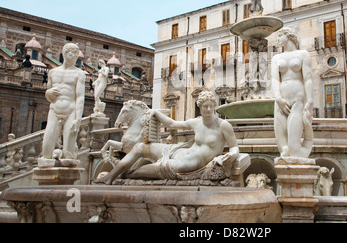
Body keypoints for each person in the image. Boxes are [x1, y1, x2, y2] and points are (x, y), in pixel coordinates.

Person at [95, 91, 239, 184]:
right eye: (204, 106)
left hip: (193, 162)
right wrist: (155, 112)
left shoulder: (223, 125)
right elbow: (172, 123)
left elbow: (234, 147)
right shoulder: (196, 122)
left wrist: (228, 156)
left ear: (214, 106)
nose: (208, 110)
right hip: (178, 150)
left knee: (162, 167)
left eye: (210, 106)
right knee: (139, 147)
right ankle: (110, 177)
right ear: (200, 107)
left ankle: (125, 175)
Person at [271, 28, 314, 158]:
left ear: (288, 36)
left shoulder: (303, 54)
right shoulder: (276, 57)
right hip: (281, 100)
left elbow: (308, 78)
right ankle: (286, 174)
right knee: (283, 148)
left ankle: (308, 142)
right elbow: (274, 79)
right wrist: (278, 98)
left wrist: (310, 100)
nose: (277, 39)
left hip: (298, 99)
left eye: (279, 36)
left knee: (294, 148)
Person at [40, 43, 86, 161]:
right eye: (73, 53)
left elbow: (80, 97)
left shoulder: (79, 73)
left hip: (70, 111)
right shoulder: (53, 72)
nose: (76, 56)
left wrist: (78, 119)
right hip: (54, 110)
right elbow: (48, 92)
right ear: (65, 53)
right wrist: (48, 93)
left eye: (77, 53)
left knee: (68, 154)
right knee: (46, 147)